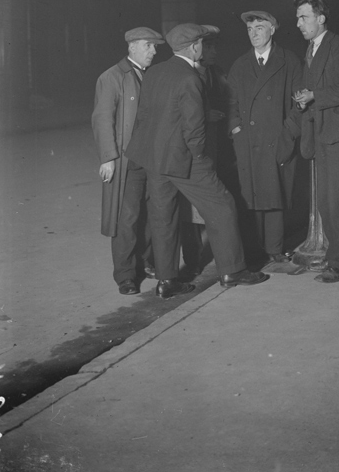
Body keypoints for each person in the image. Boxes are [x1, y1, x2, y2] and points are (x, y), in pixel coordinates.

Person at [125, 22, 270, 299]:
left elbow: (143, 116)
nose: (204, 47)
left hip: (154, 159)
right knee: (224, 206)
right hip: (184, 160)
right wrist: (200, 158)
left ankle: (167, 281)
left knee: (163, 218)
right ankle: (233, 271)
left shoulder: (155, 72)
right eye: (202, 43)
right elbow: (194, 129)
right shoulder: (191, 79)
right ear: (194, 47)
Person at [291, 0, 339, 283]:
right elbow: (315, 87)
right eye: (298, 18)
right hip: (322, 134)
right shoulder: (312, 48)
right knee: (326, 202)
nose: (299, 24)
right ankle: (337, 254)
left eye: (304, 17)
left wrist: (315, 96)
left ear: (321, 18)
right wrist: (303, 99)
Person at [92, 26, 165, 295]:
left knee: (152, 214)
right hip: (127, 162)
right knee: (127, 218)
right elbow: (102, 119)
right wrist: (108, 158)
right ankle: (125, 275)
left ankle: (147, 262)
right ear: (132, 46)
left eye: (155, 46)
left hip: (153, 159)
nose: (153, 51)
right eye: (148, 45)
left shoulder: (154, 75)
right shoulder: (112, 77)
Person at [227, 10, 302, 265]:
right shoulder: (240, 64)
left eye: (259, 27)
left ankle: (275, 248)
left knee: (275, 194)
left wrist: (289, 132)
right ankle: (255, 249)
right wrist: (236, 128)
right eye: (250, 29)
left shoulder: (289, 61)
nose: (254, 33)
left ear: (272, 29)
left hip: (276, 138)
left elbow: (299, 103)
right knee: (251, 196)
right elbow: (231, 102)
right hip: (248, 141)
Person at [179, 27, 229, 276]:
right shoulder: (188, 74)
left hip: (215, 148)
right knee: (191, 210)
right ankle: (193, 259)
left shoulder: (217, 74)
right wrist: (206, 116)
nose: (213, 52)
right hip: (194, 150)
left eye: (214, 47)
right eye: (208, 47)